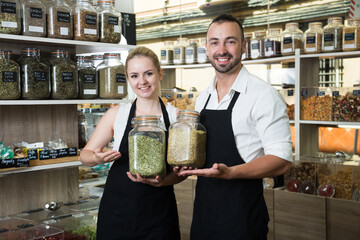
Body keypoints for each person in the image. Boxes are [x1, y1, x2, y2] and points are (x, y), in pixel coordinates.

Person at [176, 14, 293, 240]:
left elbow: (282, 160)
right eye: (215, 42)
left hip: (243, 219)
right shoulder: (203, 98)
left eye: (230, 41)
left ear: (244, 47)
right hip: (203, 215)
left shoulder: (263, 95)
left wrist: (232, 172)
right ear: (207, 48)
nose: (222, 50)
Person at [80, 46, 183, 240]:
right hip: (118, 210)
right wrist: (96, 157)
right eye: (134, 76)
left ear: (160, 74)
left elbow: (181, 172)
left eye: (149, 73)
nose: (142, 81)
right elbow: (85, 156)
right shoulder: (117, 114)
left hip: (159, 211)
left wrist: (163, 182)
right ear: (128, 79)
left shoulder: (175, 117)